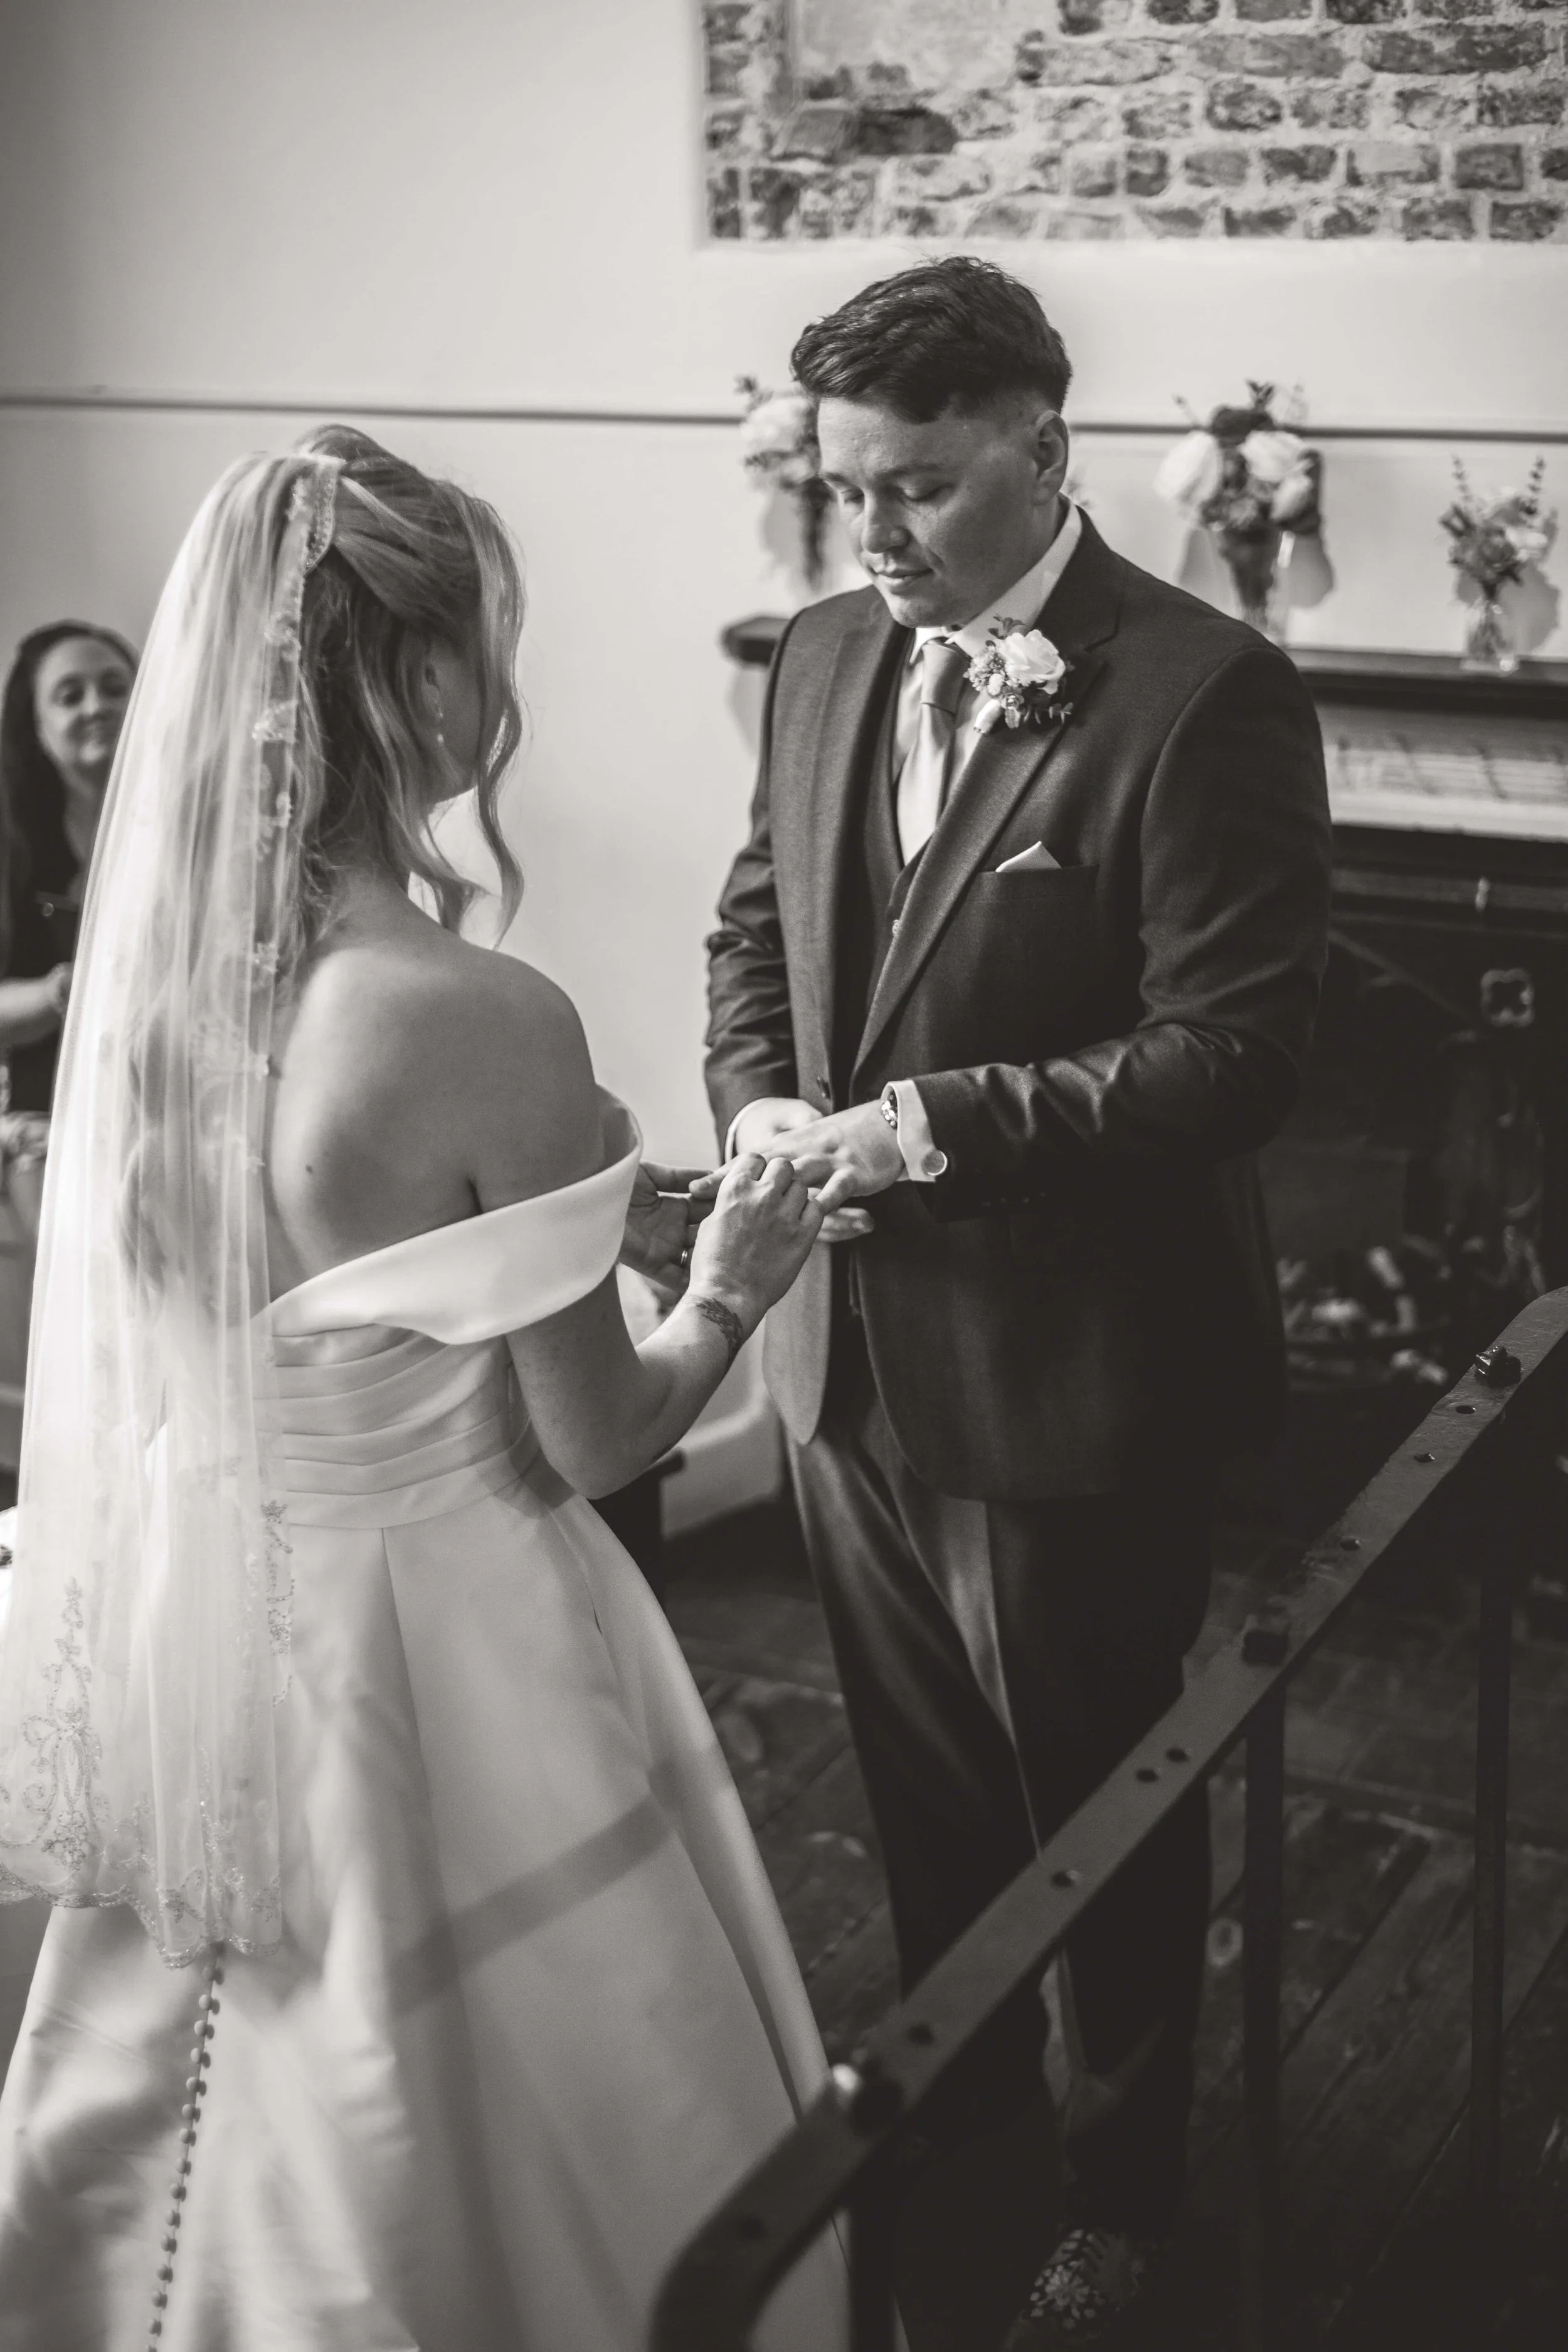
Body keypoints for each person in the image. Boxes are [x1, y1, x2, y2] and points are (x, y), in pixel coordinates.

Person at [0, 428, 847, 2351]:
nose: (505, 685)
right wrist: (727, 1285)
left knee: (199, 2085)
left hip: (200, 1642)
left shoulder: (155, 1002)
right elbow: (599, 1435)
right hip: (446, 1648)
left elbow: (299, 1286)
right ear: (418, 673)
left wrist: (571, 1212)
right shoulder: (476, 1012)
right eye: (488, 636)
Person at [705, 258, 1332, 2348]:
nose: (877, 536)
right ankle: (958, 2132)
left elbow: (1233, 1055)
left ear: (1045, 448)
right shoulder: (812, 654)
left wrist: (914, 1129)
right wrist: (769, 1107)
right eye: (853, 491)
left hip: (1072, 1379)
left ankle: (1123, 2193)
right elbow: (757, 930)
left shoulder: (1200, 690)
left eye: (927, 490)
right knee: (921, 1798)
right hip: (844, 1363)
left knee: (1101, 1814)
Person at [0, 621, 137, 1234]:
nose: (97, 706)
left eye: (114, 687)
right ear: (35, 724)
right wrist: (69, 989)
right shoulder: (11, 847)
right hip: (47, 1130)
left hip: (168, 1120)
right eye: (70, 693)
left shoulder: (186, 830)